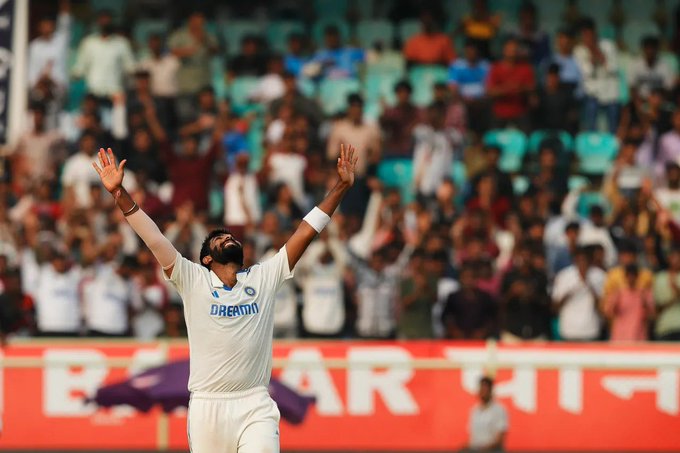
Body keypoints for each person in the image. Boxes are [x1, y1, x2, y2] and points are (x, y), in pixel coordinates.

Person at [92, 143, 358, 452]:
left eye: (230, 237)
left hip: (255, 402)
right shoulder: (192, 279)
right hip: (208, 407)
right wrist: (119, 193)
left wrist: (340, 187)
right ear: (206, 259)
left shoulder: (263, 277)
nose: (229, 238)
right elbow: (153, 238)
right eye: (220, 239)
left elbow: (304, 232)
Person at [72, 10, 135, 100]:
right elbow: (79, 69)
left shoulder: (122, 43)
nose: (105, 22)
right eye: (102, 19)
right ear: (98, 22)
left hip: (115, 94)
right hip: (93, 94)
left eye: (107, 19)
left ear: (112, 21)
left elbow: (131, 68)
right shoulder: (88, 42)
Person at [574, 18, 620, 133]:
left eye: (589, 34)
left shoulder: (608, 46)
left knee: (613, 124)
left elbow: (614, 69)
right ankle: (592, 145)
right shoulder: (579, 50)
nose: (588, 38)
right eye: (584, 35)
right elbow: (586, 73)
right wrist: (591, 56)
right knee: (590, 119)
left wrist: (599, 54)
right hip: (592, 94)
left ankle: (612, 146)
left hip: (610, 93)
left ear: (595, 32)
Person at [552, 247, 606, 341]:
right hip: (568, 330)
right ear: (574, 260)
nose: (582, 263)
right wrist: (574, 287)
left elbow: (602, 307)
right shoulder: (564, 275)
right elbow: (555, 307)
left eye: (584, 260)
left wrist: (588, 283)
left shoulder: (600, 276)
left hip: (591, 330)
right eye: (579, 260)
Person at [486, 37, 536, 131]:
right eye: (509, 49)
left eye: (514, 49)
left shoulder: (526, 68)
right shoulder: (495, 68)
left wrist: (520, 88)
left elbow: (531, 88)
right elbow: (490, 91)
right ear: (503, 50)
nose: (512, 52)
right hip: (500, 113)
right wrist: (508, 88)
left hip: (520, 112)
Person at [441, 264, 496, 339]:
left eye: (472, 277)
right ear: (460, 279)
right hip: (458, 338)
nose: (468, 280)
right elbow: (445, 317)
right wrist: (454, 331)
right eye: (465, 277)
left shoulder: (485, 297)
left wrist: (483, 332)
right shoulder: (453, 297)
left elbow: (492, 318)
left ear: (476, 279)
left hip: (480, 339)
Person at [605, 264, 655, 341]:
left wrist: (644, 301)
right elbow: (608, 313)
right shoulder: (619, 293)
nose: (631, 279)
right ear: (625, 277)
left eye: (633, 276)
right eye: (629, 276)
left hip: (638, 336)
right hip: (620, 336)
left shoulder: (644, 294)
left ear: (637, 277)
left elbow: (652, 315)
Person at [379, 80, 422, 158]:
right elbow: (383, 126)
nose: (403, 95)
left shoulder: (417, 112)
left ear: (410, 94)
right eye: (400, 92)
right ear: (396, 94)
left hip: (411, 153)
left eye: (405, 92)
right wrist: (384, 114)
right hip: (393, 152)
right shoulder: (390, 112)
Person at [467, 376, 508, 452]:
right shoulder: (475, 410)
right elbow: (473, 437)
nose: (483, 392)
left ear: (491, 390)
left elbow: (500, 438)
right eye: (481, 389)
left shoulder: (499, 410)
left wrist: (484, 449)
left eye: (485, 389)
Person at [628, 36, 675, 101]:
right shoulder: (635, 64)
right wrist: (638, 104)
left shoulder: (664, 66)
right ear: (643, 49)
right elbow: (632, 88)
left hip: (658, 101)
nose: (650, 52)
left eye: (652, 49)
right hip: (641, 100)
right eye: (647, 48)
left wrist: (659, 102)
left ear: (657, 50)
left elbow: (668, 89)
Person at [653, 247, 680, 340]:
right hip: (665, 327)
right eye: (674, 257)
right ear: (669, 258)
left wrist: (677, 290)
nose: (676, 260)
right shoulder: (660, 277)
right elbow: (657, 306)